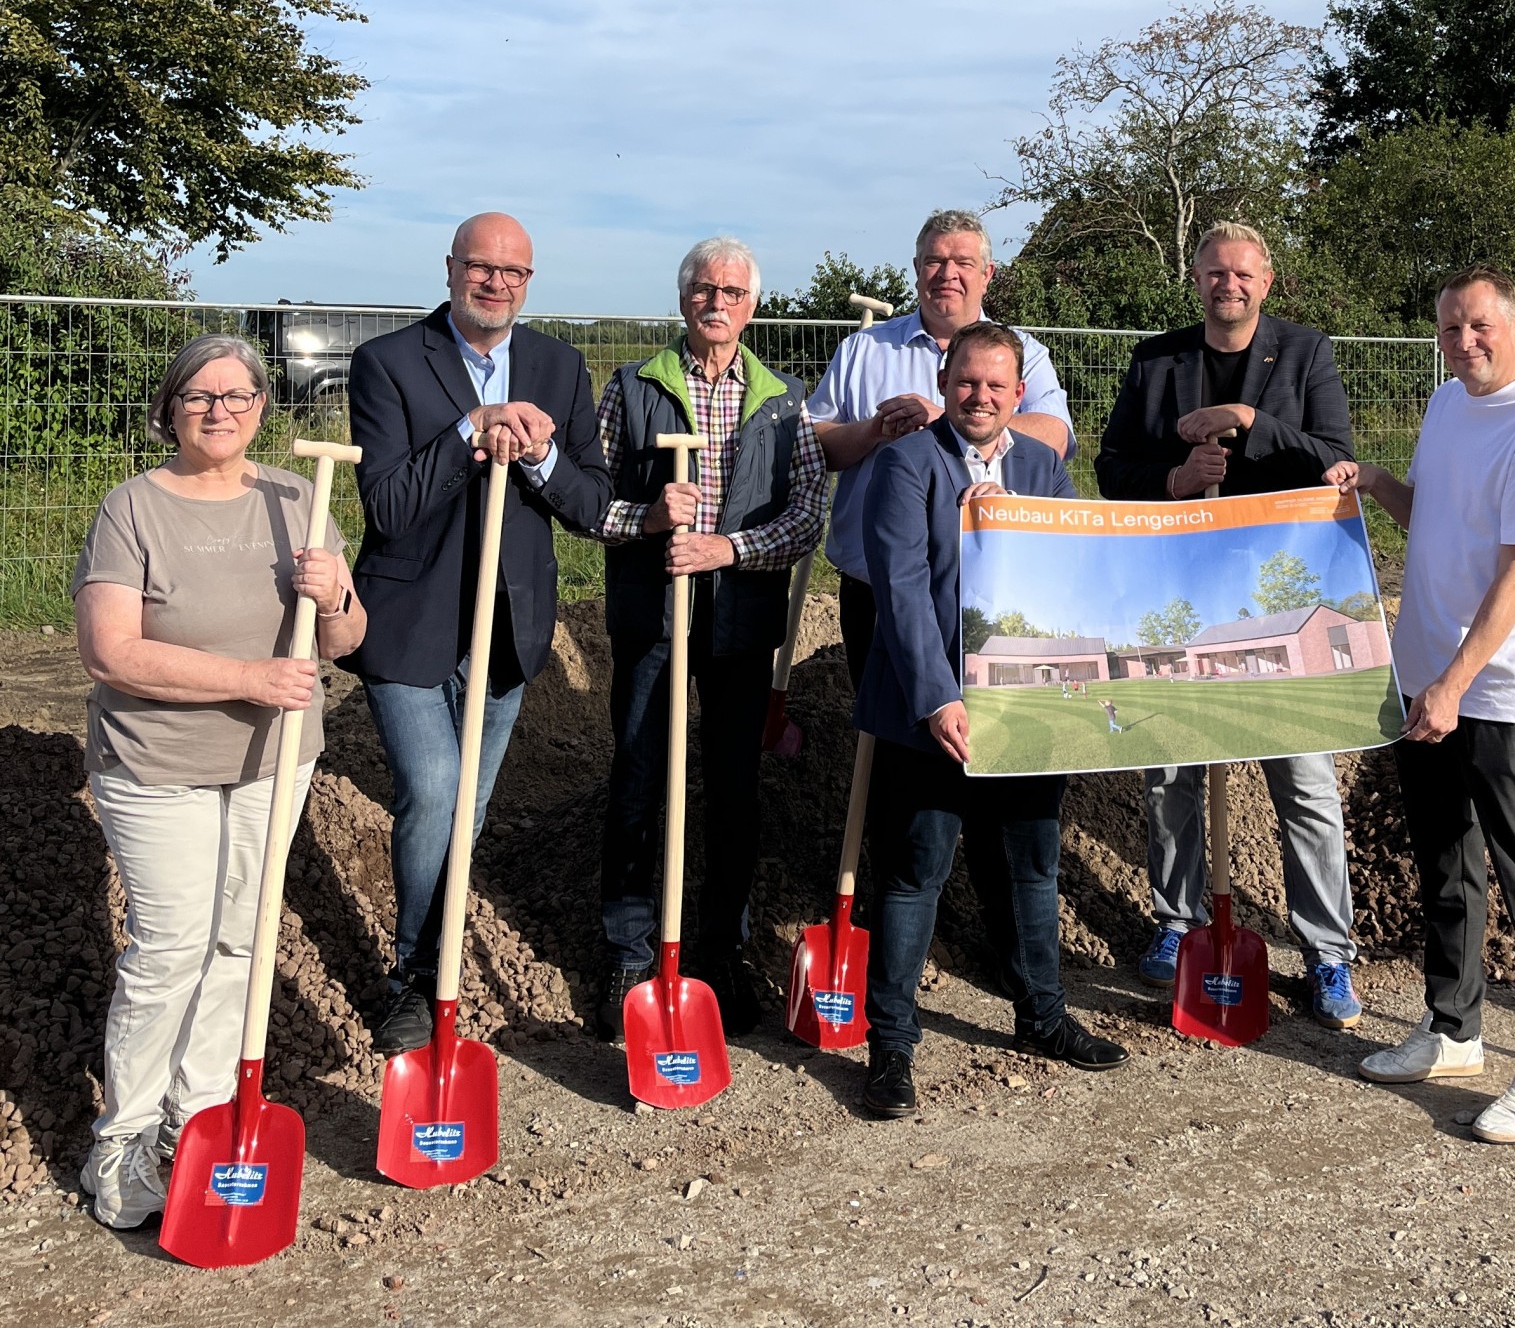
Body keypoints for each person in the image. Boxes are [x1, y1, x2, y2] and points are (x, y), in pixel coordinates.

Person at [71, 335, 368, 1228]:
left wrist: (338, 595)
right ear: (170, 409)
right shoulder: (133, 510)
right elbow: (109, 651)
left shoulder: (297, 501)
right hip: (158, 766)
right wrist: (247, 679)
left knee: (241, 939)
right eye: (200, 396)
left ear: (263, 410)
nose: (219, 411)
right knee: (169, 951)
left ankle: (194, 1120)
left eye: (238, 396)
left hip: (275, 762)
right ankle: (120, 1141)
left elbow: (345, 643)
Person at [1327, 265, 1515, 1144]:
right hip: (1425, 676)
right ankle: (1453, 1028)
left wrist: (1456, 680)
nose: (1464, 343)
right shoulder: (1446, 408)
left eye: (1479, 327)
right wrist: (1374, 484)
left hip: (1498, 690)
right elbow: (1430, 516)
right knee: (1447, 860)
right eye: (1448, 329)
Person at [346, 212, 611, 1054]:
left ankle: (439, 959)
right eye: (480, 267)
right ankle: (410, 980)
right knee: (432, 789)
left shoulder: (560, 367)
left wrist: (535, 458)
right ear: (452, 268)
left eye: (513, 272)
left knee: (471, 803)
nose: (496, 282)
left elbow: (591, 504)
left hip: (508, 625)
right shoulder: (387, 363)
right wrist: (471, 431)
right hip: (409, 622)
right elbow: (388, 505)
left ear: (529, 283)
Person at [1093, 221, 1365, 1029]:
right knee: (1170, 770)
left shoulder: (1305, 352)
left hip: (1276, 588)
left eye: (1242, 274)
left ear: (1266, 281)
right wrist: (1176, 477)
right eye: (1214, 273)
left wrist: (1250, 421)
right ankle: (1175, 926)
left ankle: (1326, 954)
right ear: (1198, 279)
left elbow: (1333, 457)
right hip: (1174, 592)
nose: (1228, 285)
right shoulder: (1155, 360)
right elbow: (1111, 468)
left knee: (1304, 778)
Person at [856, 321, 1128, 1118]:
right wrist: (938, 697)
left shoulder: (1044, 467)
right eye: (967, 383)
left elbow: (1076, 573)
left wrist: (1014, 527)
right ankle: (892, 1046)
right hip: (930, 711)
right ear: (945, 383)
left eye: (996, 386)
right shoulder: (906, 463)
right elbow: (901, 589)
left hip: (1025, 708)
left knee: (1032, 867)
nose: (980, 398)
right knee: (915, 874)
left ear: (1019, 393)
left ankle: (1042, 1017)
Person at [807, 209, 1076, 997]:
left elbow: (1052, 436)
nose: (946, 273)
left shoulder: (1017, 354)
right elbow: (818, 440)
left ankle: (1003, 950)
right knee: (914, 765)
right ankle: (908, 930)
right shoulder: (866, 349)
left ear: (987, 275)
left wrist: (956, 415)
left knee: (1008, 789)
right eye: (933, 260)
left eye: (963, 261)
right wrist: (879, 431)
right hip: (884, 592)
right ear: (916, 268)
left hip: (1001, 605)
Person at [593, 236, 827, 1039]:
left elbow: (804, 516)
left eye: (732, 290)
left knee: (733, 791)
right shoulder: (633, 388)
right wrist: (650, 519)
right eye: (703, 287)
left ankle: (722, 949)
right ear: (683, 296)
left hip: (738, 627)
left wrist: (728, 548)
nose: (716, 302)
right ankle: (629, 951)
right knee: (639, 780)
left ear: (752, 305)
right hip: (655, 619)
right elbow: (591, 503)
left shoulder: (783, 400)